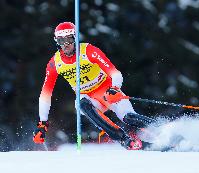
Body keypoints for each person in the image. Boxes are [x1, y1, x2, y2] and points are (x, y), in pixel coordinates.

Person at [33, 22, 154, 150]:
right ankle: (125, 141)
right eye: (61, 40)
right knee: (81, 104)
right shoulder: (54, 63)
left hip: (107, 91)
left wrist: (115, 88)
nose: (66, 44)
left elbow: (115, 73)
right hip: (88, 97)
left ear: (75, 38)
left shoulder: (89, 51)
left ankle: (162, 129)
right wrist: (42, 122)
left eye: (69, 39)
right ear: (56, 41)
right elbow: (45, 95)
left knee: (128, 117)